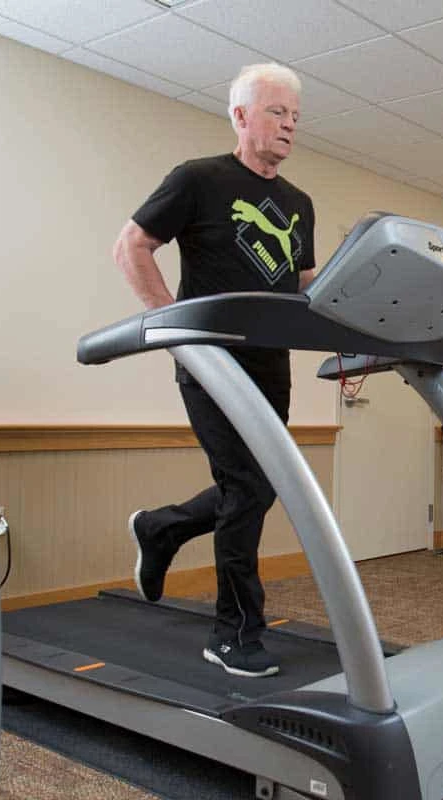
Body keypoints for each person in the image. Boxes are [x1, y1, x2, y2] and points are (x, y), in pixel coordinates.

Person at [112, 63, 316, 677]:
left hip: (269, 364)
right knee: (248, 488)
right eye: (277, 112)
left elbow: (303, 283)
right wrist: (173, 330)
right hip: (211, 362)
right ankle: (233, 632)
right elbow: (132, 246)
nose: (288, 126)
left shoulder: (298, 203)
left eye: (296, 117)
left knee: (260, 484)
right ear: (241, 116)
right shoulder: (199, 180)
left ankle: (162, 528)